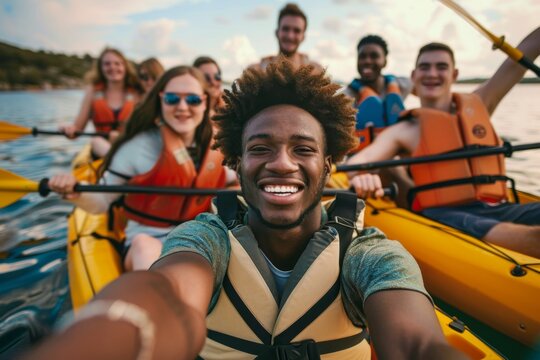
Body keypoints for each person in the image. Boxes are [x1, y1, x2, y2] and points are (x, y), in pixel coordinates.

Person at [27, 59, 467, 360]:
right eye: (261, 148)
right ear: (236, 163)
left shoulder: (371, 255)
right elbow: (168, 295)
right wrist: (120, 329)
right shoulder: (204, 239)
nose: (281, 162)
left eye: (303, 148)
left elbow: (416, 345)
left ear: (329, 163)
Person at [347, 28, 540, 258]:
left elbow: (522, 55)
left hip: (499, 206)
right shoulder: (404, 130)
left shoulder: (481, 102)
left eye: (441, 66)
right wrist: (361, 177)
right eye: (425, 67)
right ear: (414, 76)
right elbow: (360, 161)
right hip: (447, 214)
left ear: (455, 74)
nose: (432, 73)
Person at [49, 65, 237, 271]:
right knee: (143, 246)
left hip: (199, 237)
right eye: (172, 99)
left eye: (192, 99)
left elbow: (232, 180)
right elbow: (102, 202)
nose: (182, 106)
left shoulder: (218, 145)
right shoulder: (138, 146)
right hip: (149, 240)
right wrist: (73, 190)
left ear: (204, 102)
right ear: (160, 100)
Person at [60, 47, 143, 158]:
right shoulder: (92, 92)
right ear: (101, 68)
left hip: (128, 145)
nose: (112, 67)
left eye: (117, 63)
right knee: (96, 141)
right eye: (107, 64)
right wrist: (66, 128)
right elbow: (76, 130)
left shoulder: (136, 93)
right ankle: (121, 162)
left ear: (125, 67)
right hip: (101, 149)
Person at [343, 34, 413, 152]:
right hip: (366, 157)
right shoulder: (345, 98)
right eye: (362, 56)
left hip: (397, 153)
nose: (367, 61)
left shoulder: (403, 85)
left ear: (385, 61)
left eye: (374, 56)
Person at [249, 3, 323, 72]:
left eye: (297, 31)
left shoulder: (316, 72)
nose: (290, 36)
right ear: (277, 32)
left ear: (303, 37)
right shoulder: (255, 72)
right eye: (285, 29)